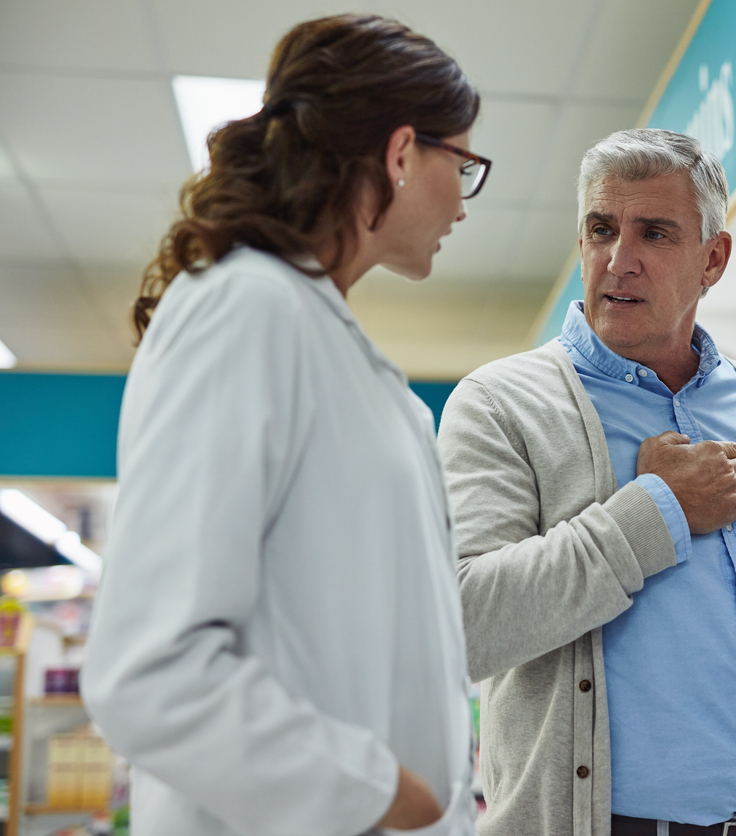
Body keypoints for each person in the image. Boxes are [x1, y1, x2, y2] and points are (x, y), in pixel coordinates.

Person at [82, 15, 490, 836]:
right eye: (466, 165)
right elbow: (151, 669)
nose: (466, 202)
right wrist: (376, 792)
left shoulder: (340, 355)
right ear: (402, 152)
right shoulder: (242, 309)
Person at [437, 129, 736, 836]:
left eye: (654, 233)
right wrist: (657, 511)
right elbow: (463, 624)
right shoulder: (500, 404)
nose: (620, 260)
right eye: (601, 229)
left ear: (714, 260)